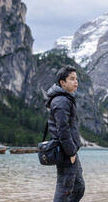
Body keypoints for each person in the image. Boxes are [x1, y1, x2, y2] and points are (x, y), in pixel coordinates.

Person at [45, 65, 85, 202]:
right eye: (72, 79)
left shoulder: (65, 98)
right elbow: (63, 130)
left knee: (78, 187)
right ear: (62, 83)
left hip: (70, 150)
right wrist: (71, 152)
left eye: (76, 79)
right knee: (64, 189)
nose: (76, 82)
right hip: (66, 151)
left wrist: (73, 151)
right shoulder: (61, 101)